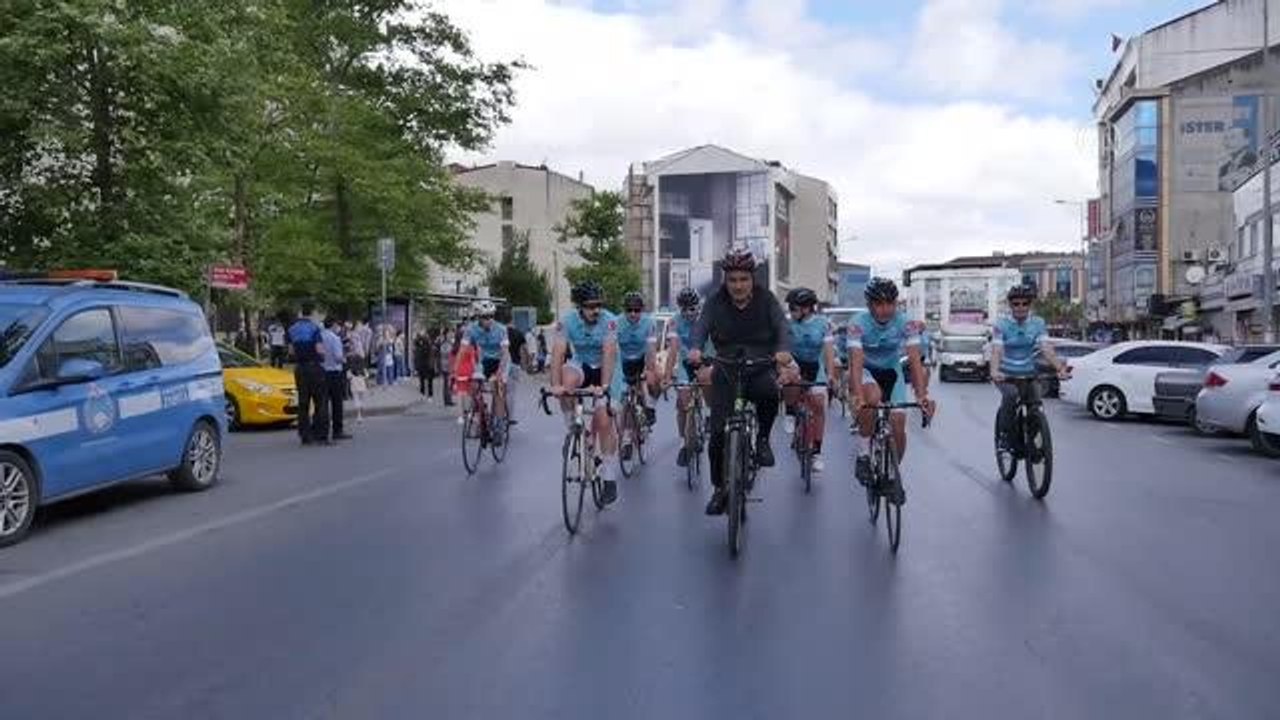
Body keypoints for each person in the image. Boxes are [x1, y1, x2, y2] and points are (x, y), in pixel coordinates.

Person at [687, 248, 792, 516]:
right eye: (732, 279)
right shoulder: (715, 301)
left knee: (769, 391)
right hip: (726, 367)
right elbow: (701, 327)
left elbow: (782, 327)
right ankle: (719, 489)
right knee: (717, 436)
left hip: (760, 364)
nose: (738, 285)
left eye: (743, 279)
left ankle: (763, 439)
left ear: (752, 279)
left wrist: (782, 350)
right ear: (726, 280)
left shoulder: (767, 299)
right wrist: (697, 348)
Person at [847, 278, 935, 503]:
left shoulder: (905, 323)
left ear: (896, 304)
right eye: (879, 304)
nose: (885, 309)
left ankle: (893, 473)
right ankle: (864, 455)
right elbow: (856, 363)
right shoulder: (858, 323)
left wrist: (922, 395)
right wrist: (857, 396)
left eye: (890, 304)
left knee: (898, 422)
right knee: (872, 399)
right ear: (869, 305)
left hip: (891, 371)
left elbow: (915, 361)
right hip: (866, 370)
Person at [548, 280, 623, 506]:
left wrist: (605, 386)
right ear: (580, 307)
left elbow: (609, 353)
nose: (596, 310)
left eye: (599, 305)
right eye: (590, 306)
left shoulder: (609, 321)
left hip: (607, 369)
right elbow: (558, 353)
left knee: (603, 419)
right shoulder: (567, 321)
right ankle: (572, 428)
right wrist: (555, 386)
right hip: (582, 363)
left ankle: (609, 477)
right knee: (566, 380)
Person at [989, 284, 1070, 451]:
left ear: (1030, 305)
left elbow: (1046, 349)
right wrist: (994, 371)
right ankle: (1005, 436)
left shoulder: (1038, 323)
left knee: (1035, 404)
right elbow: (997, 351)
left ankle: (1032, 438)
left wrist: (1059, 368)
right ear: (1010, 305)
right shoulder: (1001, 324)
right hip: (1005, 374)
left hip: (1029, 373)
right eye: (1016, 304)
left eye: (1025, 303)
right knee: (1011, 396)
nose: (1021, 307)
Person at [780, 287, 840, 474]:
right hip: (795, 363)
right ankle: (790, 412)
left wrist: (830, 375)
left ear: (806, 308)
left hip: (815, 366)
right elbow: (782, 350)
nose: (790, 311)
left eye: (793, 307)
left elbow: (829, 351)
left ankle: (816, 453)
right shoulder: (788, 324)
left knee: (819, 404)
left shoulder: (823, 324)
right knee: (792, 379)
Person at [665, 287, 715, 468]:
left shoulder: (707, 319)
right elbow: (672, 350)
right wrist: (667, 376)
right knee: (683, 402)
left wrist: (707, 363)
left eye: (691, 308)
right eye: (684, 309)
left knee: (706, 379)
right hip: (686, 363)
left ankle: (709, 414)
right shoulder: (674, 322)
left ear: (698, 306)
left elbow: (714, 345)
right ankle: (684, 444)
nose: (688, 313)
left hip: (706, 358)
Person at [459, 300, 511, 440]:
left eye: (491, 316)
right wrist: (456, 372)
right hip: (485, 361)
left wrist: (499, 373)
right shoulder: (471, 329)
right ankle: (480, 417)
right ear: (478, 318)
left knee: (498, 389)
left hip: (501, 361)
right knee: (474, 385)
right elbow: (462, 351)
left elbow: (505, 353)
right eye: (485, 317)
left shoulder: (501, 329)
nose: (488, 320)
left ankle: (499, 426)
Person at [616, 291, 661, 430]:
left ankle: (651, 407)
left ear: (642, 310)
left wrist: (649, 370)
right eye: (629, 310)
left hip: (642, 358)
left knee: (654, 377)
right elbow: (612, 349)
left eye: (637, 310)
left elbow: (651, 349)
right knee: (622, 394)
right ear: (624, 310)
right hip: (623, 360)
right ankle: (627, 432)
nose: (633, 314)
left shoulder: (649, 323)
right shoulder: (617, 322)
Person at [288, 302, 331, 446]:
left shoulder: (292, 329)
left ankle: (304, 435)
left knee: (303, 403)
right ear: (312, 313)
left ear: (301, 312)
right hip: (314, 368)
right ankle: (321, 434)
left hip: (300, 368)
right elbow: (319, 349)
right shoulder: (315, 328)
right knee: (321, 401)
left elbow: (291, 352)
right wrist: (323, 356)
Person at [320, 317, 352, 440]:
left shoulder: (320, 336)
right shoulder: (335, 338)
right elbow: (338, 357)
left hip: (322, 372)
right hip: (334, 372)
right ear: (333, 325)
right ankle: (337, 431)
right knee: (337, 403)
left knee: (323, 402)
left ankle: (323, 430)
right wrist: (344, 357)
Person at [452, 325, 478, 425]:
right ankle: (469, 413)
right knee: (468, 393)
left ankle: (460, 416)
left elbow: (453, 360)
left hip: (459, 371)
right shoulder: (470, 347)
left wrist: (454, 371)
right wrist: (475, 371)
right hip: (469, 371)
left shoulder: (455, 347)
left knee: (459, 394)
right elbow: (473, 361)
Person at [505, 318, 529, 424]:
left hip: (501, 365)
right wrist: (526, 364)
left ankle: (497, 416)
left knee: (499, 393)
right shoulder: (519, 333)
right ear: (512, 321)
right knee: (511, 393)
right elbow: (524, 350)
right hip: (515, 364)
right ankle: (509, 417)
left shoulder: (499, 332)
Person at [414, 331, 435, 397]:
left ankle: (423, 393)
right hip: (427, 365)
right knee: (428, 381)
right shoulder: (429, 346)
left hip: (424, 365)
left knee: (422, 380)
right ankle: (429, 394)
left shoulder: (421, 347)